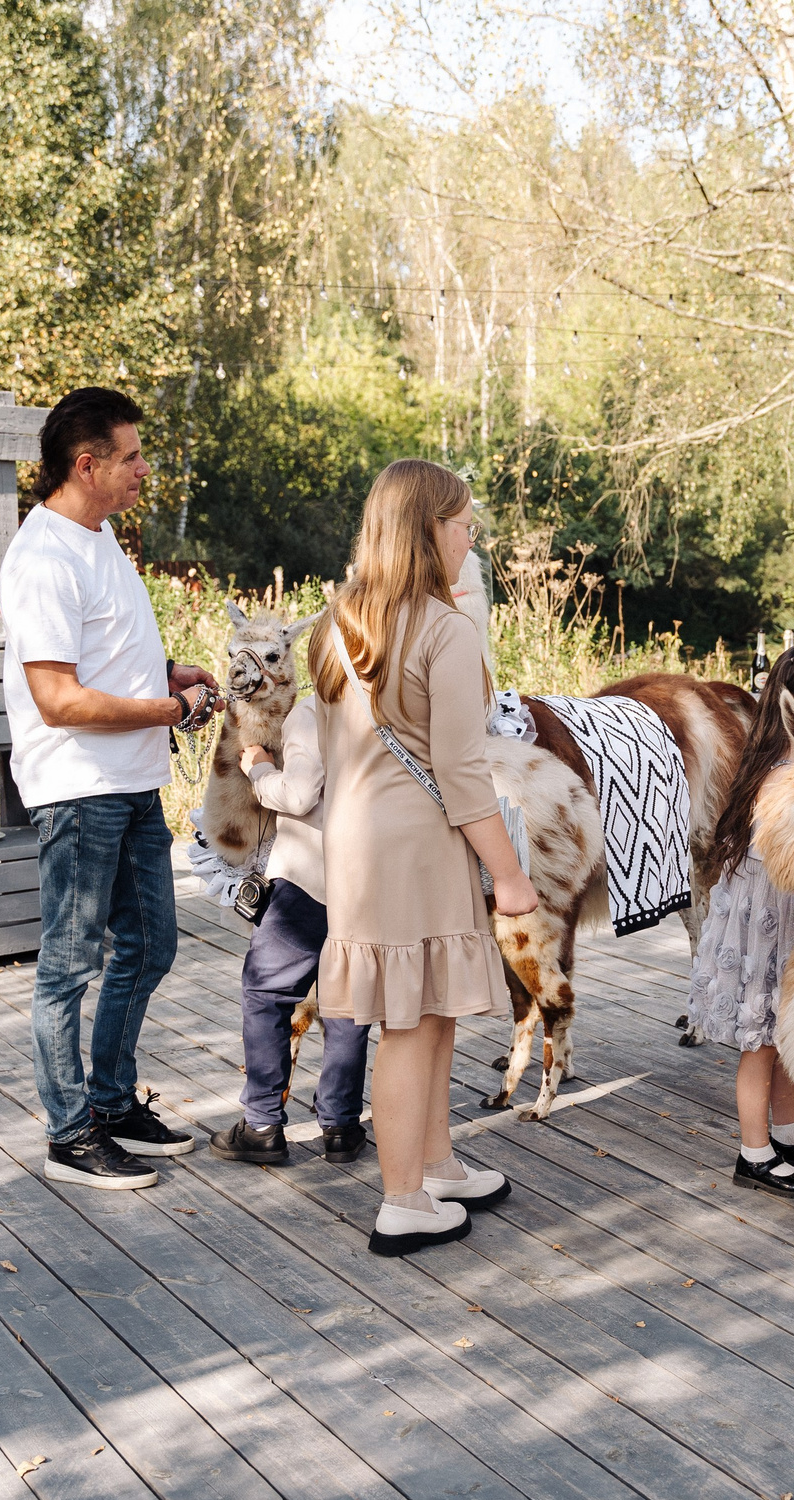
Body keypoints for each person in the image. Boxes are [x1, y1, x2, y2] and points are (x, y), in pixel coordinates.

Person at [309, 459, 538, 1257]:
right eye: (462, 522)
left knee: (426, 1003)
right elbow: (463, 769)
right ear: (426, 528)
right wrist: (510, 874)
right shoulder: (444, 629)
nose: (470, 536)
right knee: (411, 1020)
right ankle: (403, 1195)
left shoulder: (339, 622)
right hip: (418, 845)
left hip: (362, 844)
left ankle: (433, 1162)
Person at [0, 387, 220, 1189]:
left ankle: (114, 1102)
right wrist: (168, 707)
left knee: (152, 945)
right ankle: (69, 1131)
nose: (142, 469)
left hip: (131, 784)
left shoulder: (101, 538)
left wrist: (169, 673)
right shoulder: (43, 558)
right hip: (79, 791)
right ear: (85, 465)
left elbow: (101, 660)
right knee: (66, 964)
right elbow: (59, 699)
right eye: (129, 457)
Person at [687, 644, 794, 1199]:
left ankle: (787, 1133)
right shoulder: (780, 776)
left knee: (788, 1033)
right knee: (761, 1039)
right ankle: (753, 1150)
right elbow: (782, 855)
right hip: (768, 919)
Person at [221, 691, 374, 1164]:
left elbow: (301, 794)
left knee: (266, 990)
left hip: (314, 874)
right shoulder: (396, 702)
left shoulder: (316, 709)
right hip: (372, 881)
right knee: (347, 998)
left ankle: (262, 1123)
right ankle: (341, 1125)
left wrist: (260, 768)